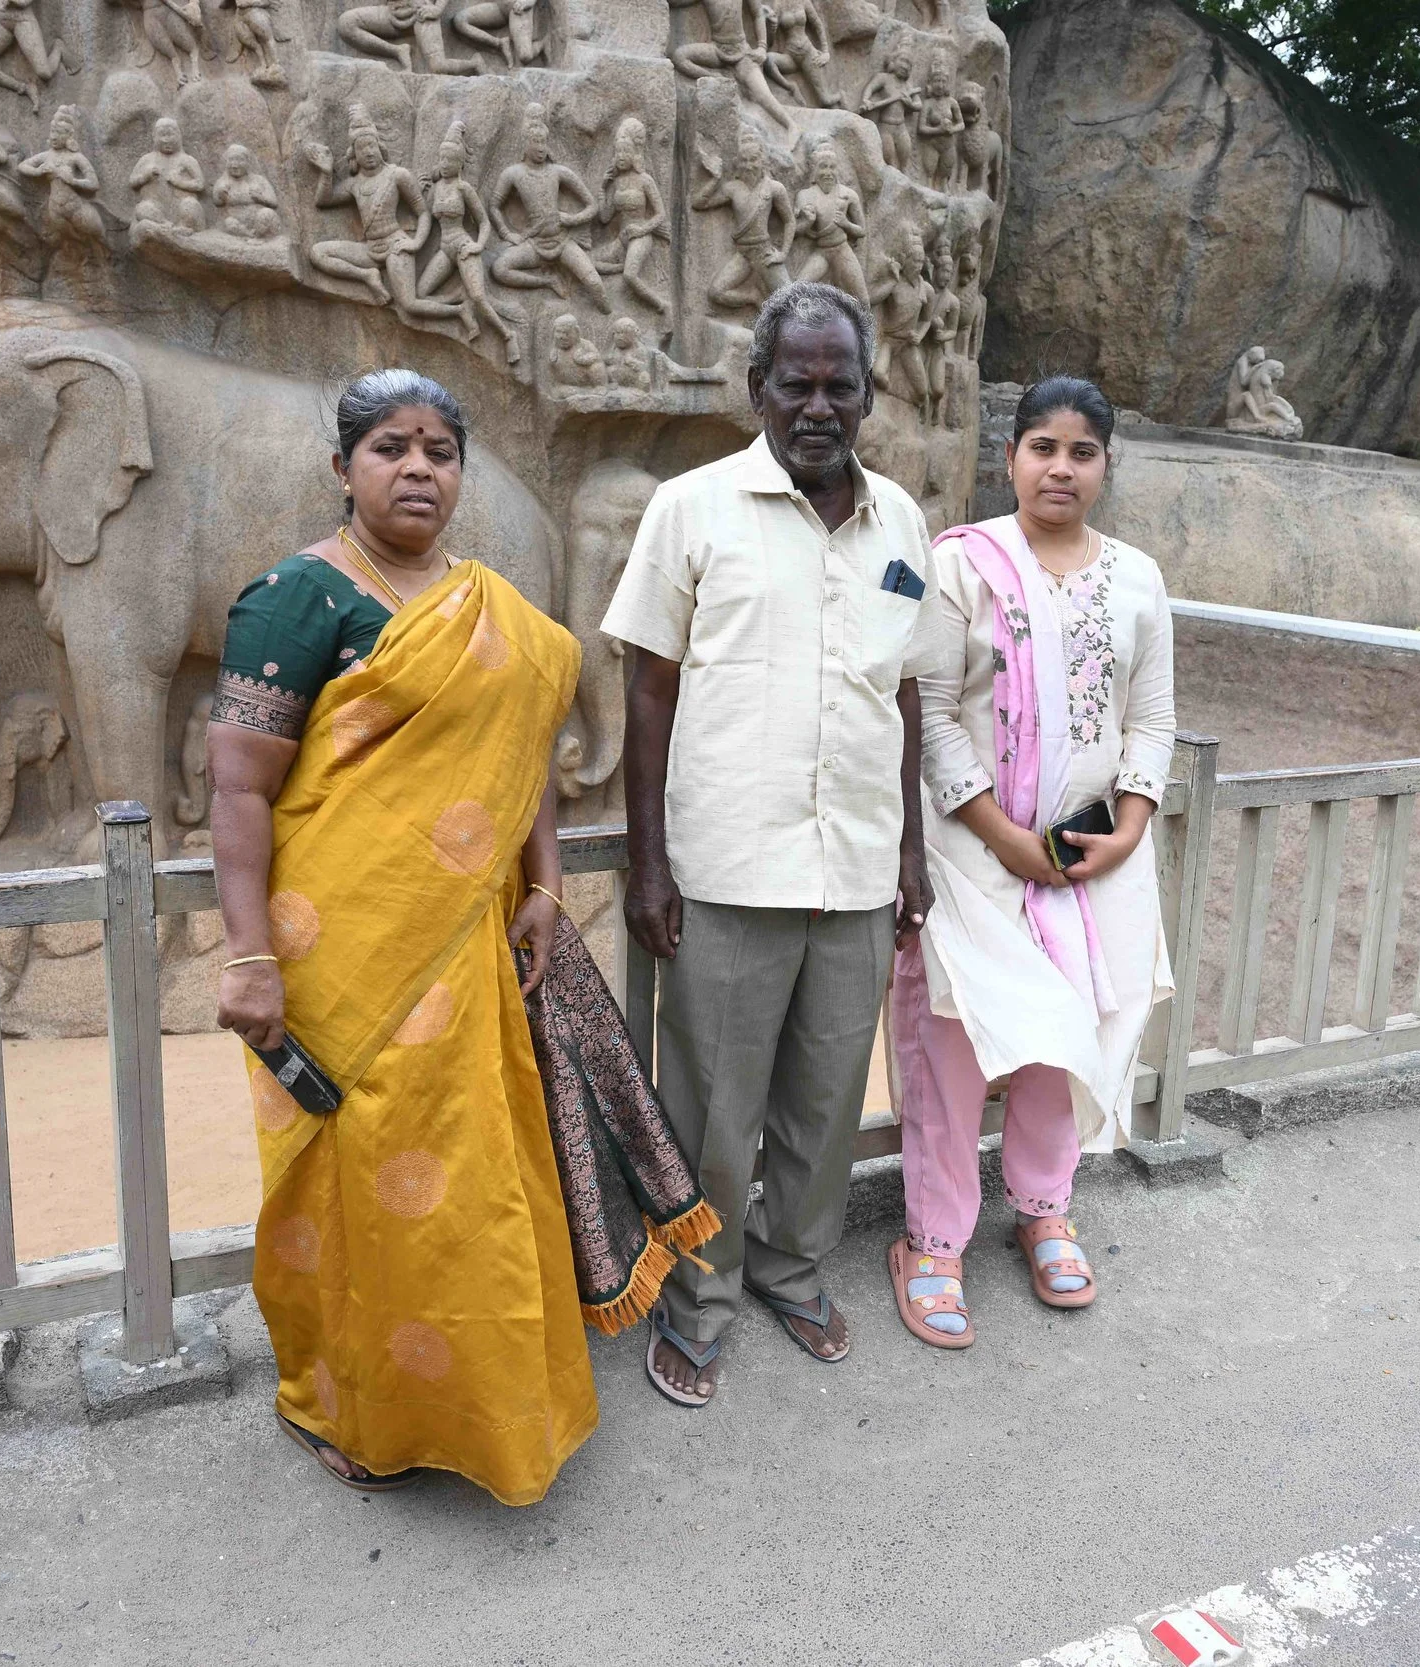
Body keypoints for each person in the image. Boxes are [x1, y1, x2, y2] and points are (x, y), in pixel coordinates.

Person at [207, 370, 593, 1503]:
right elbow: (236, 790)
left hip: (463, 944)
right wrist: (245, 957)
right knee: (361, 1188)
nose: (418, 468)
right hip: (342, 953)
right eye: (389, 447)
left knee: (473, 1180)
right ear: (343, 469)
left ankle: (479, 1400)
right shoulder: (294, 599)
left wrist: (545, 882)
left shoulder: (491, 610)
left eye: (439, 449)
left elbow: (517, 763)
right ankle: (353, 1404)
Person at [605, 281, 937, 1407]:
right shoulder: (690, 508)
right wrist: (649, 861)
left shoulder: (902, 523)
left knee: (824, 1097)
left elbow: (903, 695)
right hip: (727, 867)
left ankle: (791, 1267)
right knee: (709, 1104)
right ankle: (698, 1296)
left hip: (853, 865)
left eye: (838, 384)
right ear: (755, 391)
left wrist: (908, 851)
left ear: (867, 396)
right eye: (793, 383)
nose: (816, 403)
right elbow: (646, 692)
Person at [885, 376, 1175, 1348]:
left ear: (1104, 465)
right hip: (971, 848)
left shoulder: (1136, 576)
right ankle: (932, 1238)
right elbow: (926, 702)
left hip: (1092, 853)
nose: (1060, 466)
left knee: (1070, 1028)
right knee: (955, 1043)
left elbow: (1151, 715)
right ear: (1010, 457)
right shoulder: (959, 563)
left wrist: (1129, 826)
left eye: (1081, 451)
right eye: (1042, 446)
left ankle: (1045, 1206)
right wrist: (1002, 837)